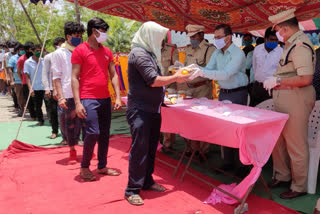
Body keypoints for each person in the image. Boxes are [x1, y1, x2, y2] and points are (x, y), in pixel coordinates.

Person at [124, 21, 190, 206]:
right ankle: (132, 189)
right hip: (141, 110)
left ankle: (146, 181)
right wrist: (176, 78)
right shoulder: (139, 54)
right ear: (150, 36)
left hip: (151, 109)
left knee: (151, 147)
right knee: (140, 149)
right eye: (159, 39)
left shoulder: (148, 54)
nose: (161, 43)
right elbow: (153, 80)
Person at [264, 8, 316, 199]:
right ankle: (283, 176)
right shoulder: (290, 44)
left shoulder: (300, 45)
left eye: (277, 29)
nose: (276, 33)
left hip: (296, 98)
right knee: (279, 140)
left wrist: (278, 82)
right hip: (285, 98)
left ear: (284, 29)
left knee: (295, 144)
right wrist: (278, 80)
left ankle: (299, 186)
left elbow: (306, 78)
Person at [189, 24, 248, 173]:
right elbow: (209, 69)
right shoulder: (217, 53)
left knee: (239, 130)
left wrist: (201, 72)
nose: (216, 40)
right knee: (225, 128)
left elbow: (225, 74)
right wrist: (194, 69)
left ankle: (242, 165)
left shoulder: (237, 54)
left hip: (238, 93)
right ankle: (228, 162)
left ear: (228, 37)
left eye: (219, 37)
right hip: (224, 93)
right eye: (214, 37)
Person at [71, 17, 122, 180]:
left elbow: (114, 75)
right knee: (93, 132)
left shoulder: (107, 51)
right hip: (88, 98)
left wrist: (118, 97)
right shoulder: (80, 50)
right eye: (103, 32)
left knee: (105, 134)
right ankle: (84, 167)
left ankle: (101, 166)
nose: (105, 35)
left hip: (105, 98)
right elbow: (74, 77)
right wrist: (78, 103)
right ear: (94, 31)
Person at [181, 24, 216, 157]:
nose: (192, 39)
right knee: (189, 120)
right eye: (190, 37)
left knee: (203, 120)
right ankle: (191, 148)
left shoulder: (210, 49)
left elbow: (211, 70)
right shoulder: (189, 48)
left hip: (203, 88)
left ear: (202, 35)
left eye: (194, 36)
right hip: (189, 89)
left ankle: (203, 150)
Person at [52, 22, 84, 162]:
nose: (78, 38)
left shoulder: (84, 50)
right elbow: (56, 77)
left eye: (80, 35)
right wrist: (61, 97)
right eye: (76, 36)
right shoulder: (59, 53)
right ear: (68, 36)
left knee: (87, 124)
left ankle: (88, 150)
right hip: (68, 93)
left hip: (85, 92)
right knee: (70, 124)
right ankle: (72, 150)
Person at [250, 27, 283, 106]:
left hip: (272, 89)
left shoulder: (281, 52)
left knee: (270, 112)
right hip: (257, 87)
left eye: (276, 40)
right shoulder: (257, 49)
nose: (274, 42)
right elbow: (255, 66)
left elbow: (282, 72)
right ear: (265, 39)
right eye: (272, 40)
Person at [43, 37, 65, 139]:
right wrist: (47, 88)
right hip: (52, 88)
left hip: (64, 88)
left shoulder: (67, 55)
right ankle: (55, 131)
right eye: (59, 45)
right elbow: (45, 73)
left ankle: (67, 134)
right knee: (53, 111)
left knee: (66, 112)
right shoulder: (48, 57)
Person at [161, 40, 179, 150]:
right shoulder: (148, 47)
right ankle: (155, 141)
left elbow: (176, 68)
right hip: (153, 87)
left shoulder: (171, 49)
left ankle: (168, 143)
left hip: (169, 87)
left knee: (168, 116)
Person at [24, 44, 47, 126]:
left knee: (49, 105)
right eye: (37, 50)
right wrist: (30, 88)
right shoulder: (27, 62)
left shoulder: (44, 60)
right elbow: (27, 77)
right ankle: (41, 120)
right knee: (38, 106)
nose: (38, 52)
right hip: (35, 87)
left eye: (39, 50)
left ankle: (52, 120)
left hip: (45, 87)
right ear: (32, 51)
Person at [17, 41, 36, 120]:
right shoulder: (21, 59)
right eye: (31, 49)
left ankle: (38, 113)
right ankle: (33, 116)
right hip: (26, 82)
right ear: (27, 50)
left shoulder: (36, 57)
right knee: (30, 100)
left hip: (37, 81)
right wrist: (22, 81)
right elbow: (18, 72)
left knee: (37, 99)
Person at [8, 42, 26, 117]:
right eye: (20, 49)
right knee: (19, 96)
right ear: (17, 50)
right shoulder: (13, 58)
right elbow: (10, 69)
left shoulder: (27, 57)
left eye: (23, 49)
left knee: (27, 96)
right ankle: (21, 109)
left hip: (27, 79)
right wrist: (12, 80)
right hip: (18, 80)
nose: (22, 51)